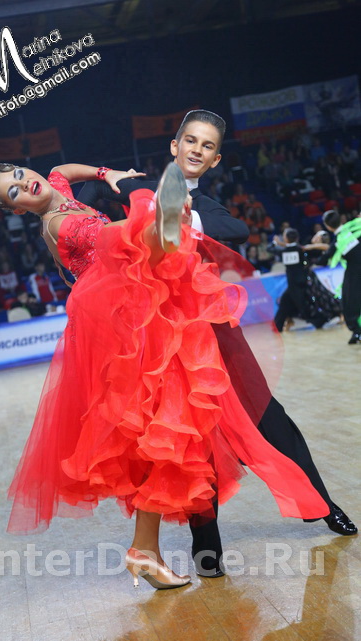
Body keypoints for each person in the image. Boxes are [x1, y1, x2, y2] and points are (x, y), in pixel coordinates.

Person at [0, 160, 332, 590]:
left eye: (20, 175)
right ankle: (147, 550)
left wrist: (105, 174)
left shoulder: (56, 186)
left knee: (167, 431)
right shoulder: (60, 224)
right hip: (125, 330)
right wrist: (150, 209)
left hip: (139, 315)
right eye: (14, 192)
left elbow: (63, 169)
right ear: (17, 210)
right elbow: (117, 237)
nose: (25, 185)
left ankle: (145, 550)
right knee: (166, 430)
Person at [77, 110, 358, 577]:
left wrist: (187, 216)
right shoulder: (139, 188)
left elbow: (237, 231)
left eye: (207, 146)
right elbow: (82, 195)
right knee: (191, 444)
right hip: (163, 340)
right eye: (190, 140)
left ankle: (324, 505)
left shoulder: (207, 205)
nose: (196, 150)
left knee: (272, 420)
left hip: (215, 335)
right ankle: (207, 551)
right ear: (174, 145)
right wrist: (109, 179)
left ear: (215, 160)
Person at [271, 228, 341, 332]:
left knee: (304, 305)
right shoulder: (301, 249)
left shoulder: (287, 250)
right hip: (302, 282)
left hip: (301, 283)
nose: (316, 239)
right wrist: (309, 247)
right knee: (286, 302)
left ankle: (321, 320)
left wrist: (277, 243)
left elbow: (271, 248)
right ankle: (280, 325)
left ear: (286, 238)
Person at [318, 209, 361, 344]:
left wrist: (316, 246)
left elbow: (324, 259)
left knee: (349, 303)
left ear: (327, 226)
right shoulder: (354, 229)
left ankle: (357, 332)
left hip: (355, 273)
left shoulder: (338, 240)